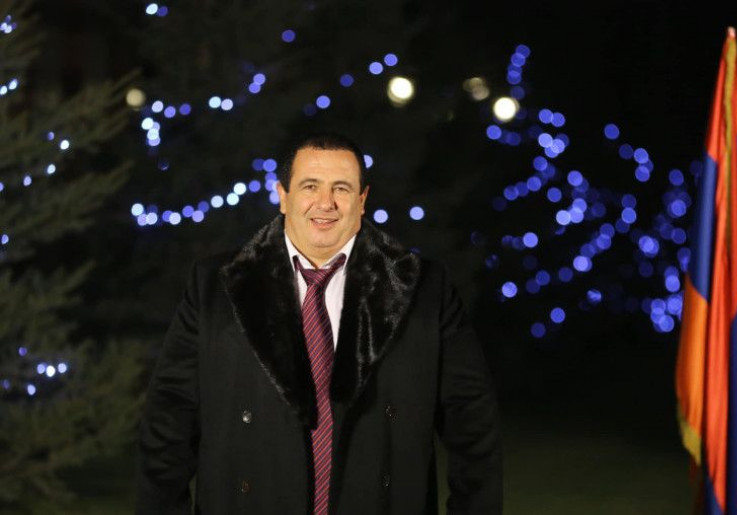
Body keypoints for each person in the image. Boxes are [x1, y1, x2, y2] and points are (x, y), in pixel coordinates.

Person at [136, 132, 502, 514]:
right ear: (283, 195)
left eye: (341, 188)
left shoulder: (424, 289)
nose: (325, 203)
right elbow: (167, 425)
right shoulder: (214, 287)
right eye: (310, 186)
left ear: (362, 200)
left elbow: (473, 425)